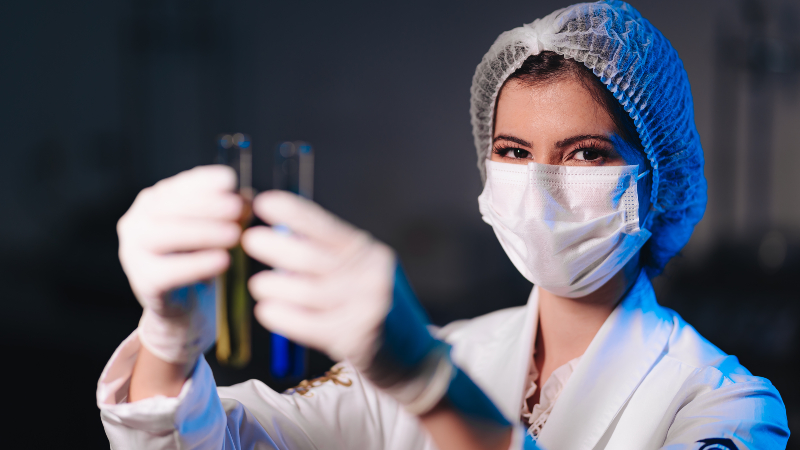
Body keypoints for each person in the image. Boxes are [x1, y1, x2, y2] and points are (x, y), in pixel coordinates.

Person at [96, 1, 790, 449]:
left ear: (657, 181)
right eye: (514, 153)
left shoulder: (726, 406)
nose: (541, 187)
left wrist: (431, 386)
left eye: (586, 154)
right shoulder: (435, 351)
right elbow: (222, 442)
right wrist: (169, 342)